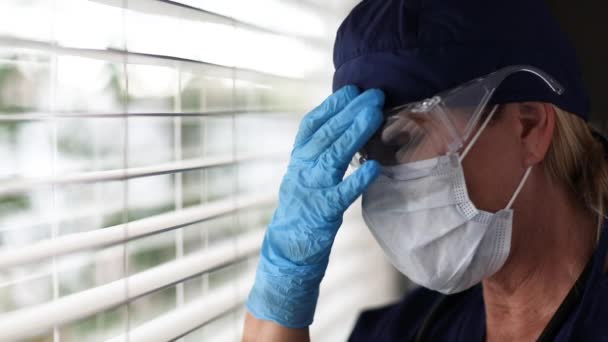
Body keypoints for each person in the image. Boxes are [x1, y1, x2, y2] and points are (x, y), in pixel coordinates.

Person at [243, 0, 608, 341]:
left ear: (528, 127)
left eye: (403, 139)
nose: (380, 178)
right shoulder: (404, 329)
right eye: (364, 150)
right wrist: (282, 285)